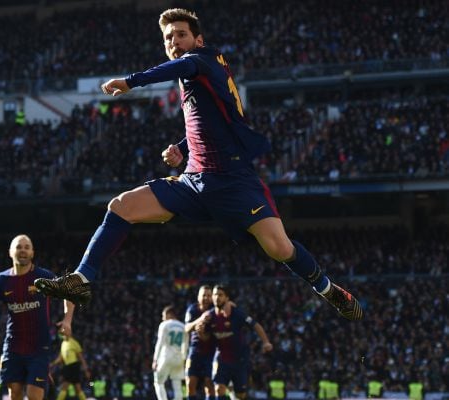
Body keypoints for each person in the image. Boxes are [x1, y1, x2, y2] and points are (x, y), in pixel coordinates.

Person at [34, 8, 363, 322]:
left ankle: (328, 289)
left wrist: (131, 81)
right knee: (120, 206)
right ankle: (82, 278)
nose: (174, 42)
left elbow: (178, 70)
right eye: (168, 37)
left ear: (198, 40)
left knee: (280, 248)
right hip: (194, 182)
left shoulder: (202, 60)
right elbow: (211, 123)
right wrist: (181, 148)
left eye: (180, 35)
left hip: (235, 182)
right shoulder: (197, 72)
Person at [0, 234, 75, 400]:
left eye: (26, 247)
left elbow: (68, 293)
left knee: (33, 395)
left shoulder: (43, 277)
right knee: (15, 393)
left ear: (32, 253)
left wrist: (67, 320)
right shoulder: (2, 280)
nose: (23, 250)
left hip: (39, 348)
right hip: (13, 346)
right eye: (19, 247)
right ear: (10, 252)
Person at [204, 285, 272, 400]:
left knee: (240, 395)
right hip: (221, 358)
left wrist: (266, 342)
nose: (217, 298)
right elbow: (205, 337)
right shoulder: (209, 316)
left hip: (239, 360)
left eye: (220, 295)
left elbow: (255, 325)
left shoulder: (237, 313)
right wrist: (200, 331)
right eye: (215, 295)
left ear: (227, 298)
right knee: (218, 389)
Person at [184, 286, 215, 400]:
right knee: (190, 383)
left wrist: (202, 334)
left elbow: (210, 337)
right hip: (195, 351)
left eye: (208, 295)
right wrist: (200, 319)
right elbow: (187, 328)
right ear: (198, 297)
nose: (206, 298)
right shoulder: (192, 309)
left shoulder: (214, 311)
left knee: (209, 384)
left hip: (210, 352)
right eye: (203, 295)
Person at [153, 305, 185, 400]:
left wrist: (155, 359)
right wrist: (184, 359)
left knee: (158, 382)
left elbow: (160, 343)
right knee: (177, 383)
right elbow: (186, 345)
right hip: (179, 358)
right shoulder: (183, 326)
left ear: (169, 314)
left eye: (163, 316)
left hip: (166, 357)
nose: (163, 318)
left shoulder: (164, 325)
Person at [50, 331, 90, 400]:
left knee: (65, 386)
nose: (63, 335)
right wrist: (52, 364)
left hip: (74, 366)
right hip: (68, 367)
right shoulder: (63, 344)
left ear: (69, 333)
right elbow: (60, 358)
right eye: (62, 334)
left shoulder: (74, 343)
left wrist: (86, 370)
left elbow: (81, 358)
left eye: (64, 334)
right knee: (78, 388)